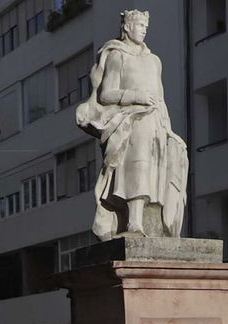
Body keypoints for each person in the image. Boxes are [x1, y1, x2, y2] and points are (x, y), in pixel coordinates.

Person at [75, 8, 188, 240]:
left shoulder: (154, 61)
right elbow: (106, 94)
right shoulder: (118, 56)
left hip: (155, 120)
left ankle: (156, 223)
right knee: (139, 166)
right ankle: (134, 222)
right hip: (131, 120)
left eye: (146, 26)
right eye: (139, 25)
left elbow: (161, 99)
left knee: (164, 165)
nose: (144, 30)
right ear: (126, 27)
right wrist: (135, 96)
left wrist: (168, 130)